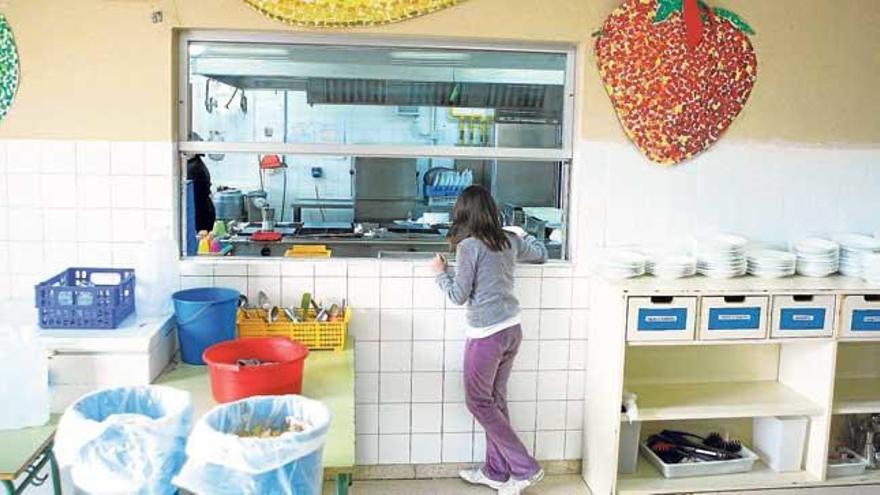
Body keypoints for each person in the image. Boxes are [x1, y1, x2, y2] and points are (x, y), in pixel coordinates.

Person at [431, 185, 548, 495]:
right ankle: (496, 472)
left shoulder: (469, 247)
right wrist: (521, 233)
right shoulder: (509, 240)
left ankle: (525, 468)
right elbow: (543, 254)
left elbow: (458, 296)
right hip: (512, 330)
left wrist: (439, 273)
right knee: (494, 400)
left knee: (478, 401)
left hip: (486, 335)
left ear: (463, 214)